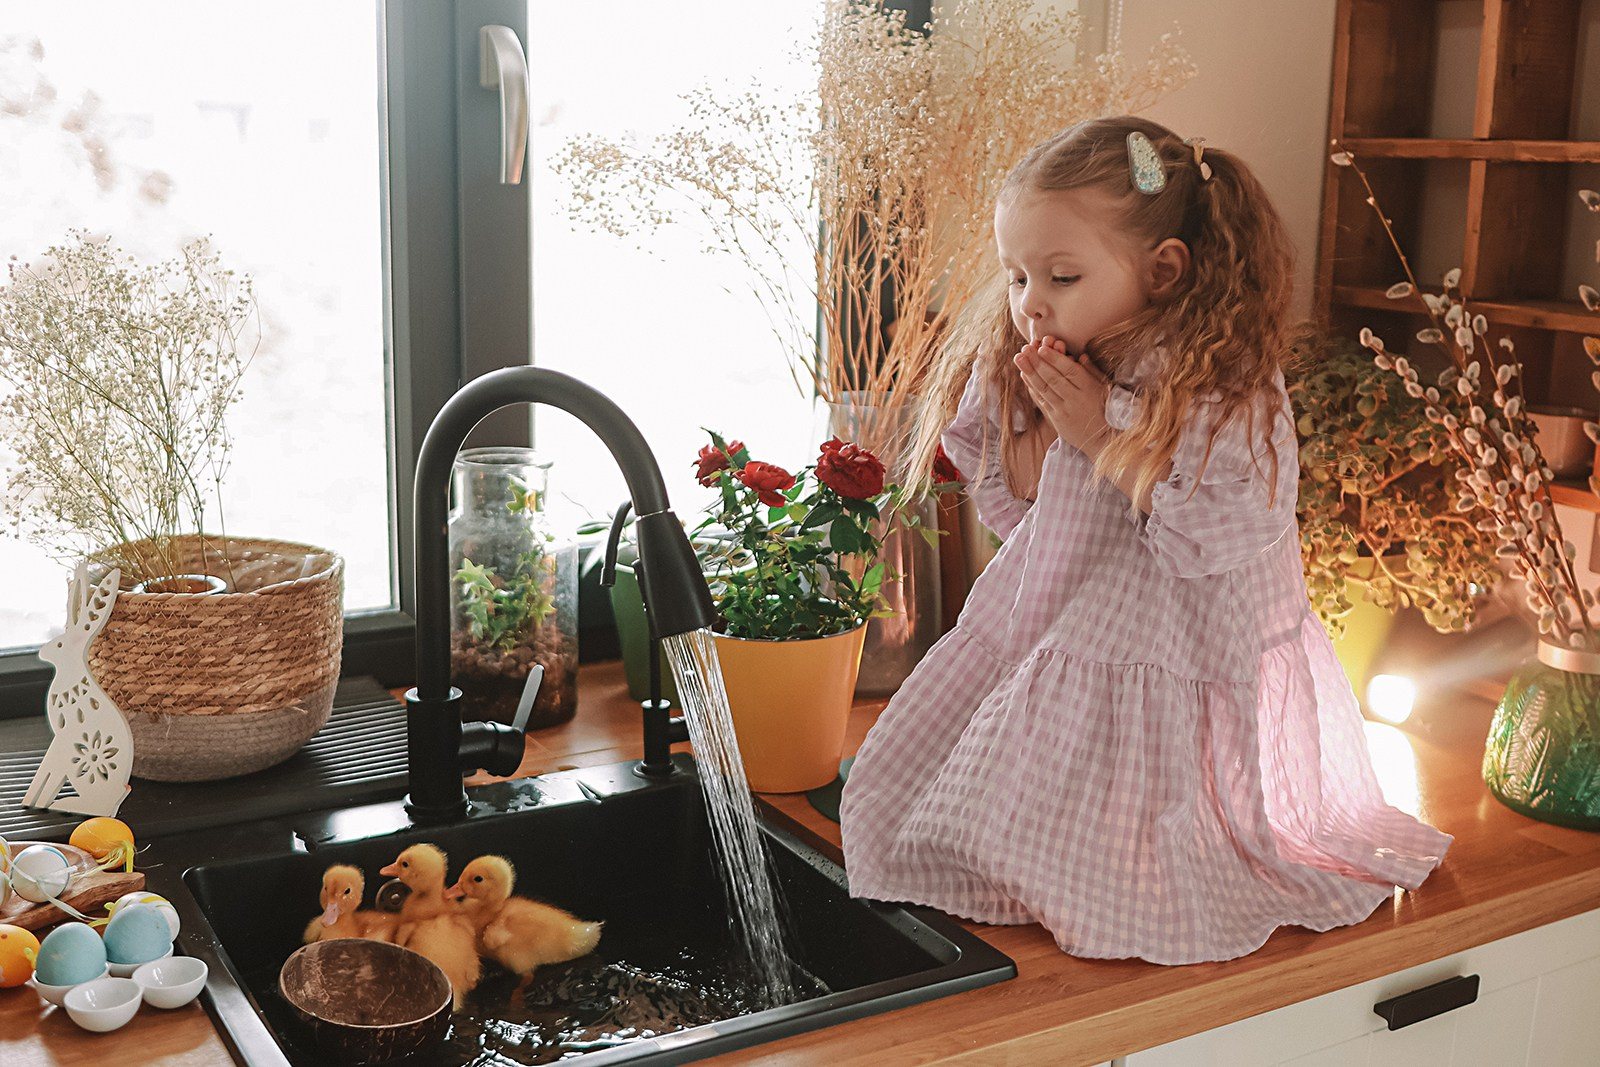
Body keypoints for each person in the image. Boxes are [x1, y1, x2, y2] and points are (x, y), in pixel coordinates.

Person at [837, 116, 1451, 965]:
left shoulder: (1220, 377)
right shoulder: (1043, 350)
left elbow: (1221, 527)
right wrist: (1036, 427)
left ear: (1163, 270)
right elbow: (1017, 495)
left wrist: (1100, 430)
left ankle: (1132, 873)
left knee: (1156, 770)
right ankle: (1042, 857)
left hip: (1184, 627)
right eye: (1017, 275)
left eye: (1061, 275)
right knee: (1057, 732)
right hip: (1076, 604)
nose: (1031, 300)